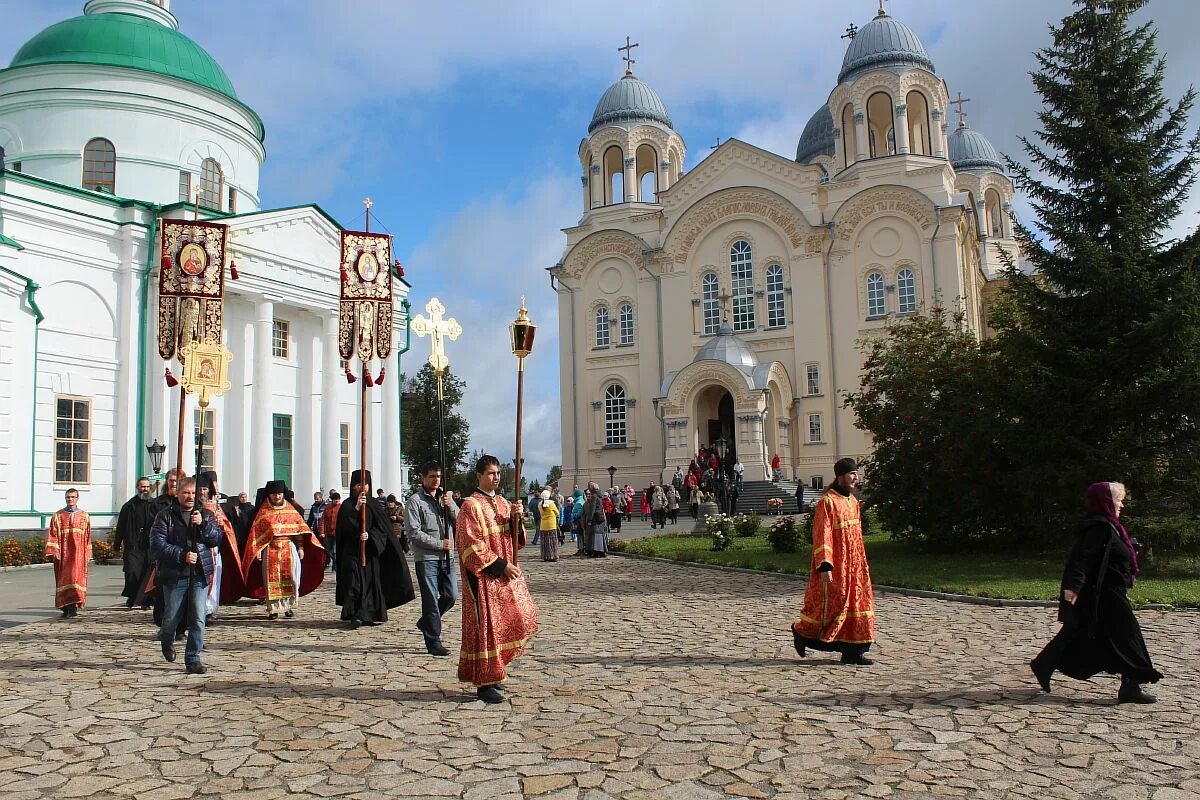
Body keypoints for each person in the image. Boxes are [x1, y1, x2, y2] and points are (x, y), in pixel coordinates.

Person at [1030, 482, 1162, 704]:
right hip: (1106, 595)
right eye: (1119, 500)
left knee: (1081, 631)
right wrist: (1073, 587)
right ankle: (1131, 686)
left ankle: (1044, 663)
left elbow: (1109, 555)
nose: (1122, 505)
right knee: (1129, 637)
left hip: (1111, 593)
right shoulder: (1099, 527)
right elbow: (1083, 559)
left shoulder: (1111, 526)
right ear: (1107, 502)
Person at [455, 455, 538, 704]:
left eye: (498, 473)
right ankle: (485, 683)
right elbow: (469, 545)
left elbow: (514, 539)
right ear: (479, 475)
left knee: (517, 619)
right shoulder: (470, 505)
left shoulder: (503, 502)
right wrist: (501, 566)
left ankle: (497, 672)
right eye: (491, 473)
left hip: (503, 576)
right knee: (488, 628)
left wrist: (516, 520)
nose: (496, 477)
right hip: (483, 576)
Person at [791, 458, 874, 666]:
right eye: (852, 474)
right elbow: (822, 534)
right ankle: (802, 633)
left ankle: (854, 652)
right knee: (832, 608)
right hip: (836, 565)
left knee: (858, 604)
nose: (856, 478)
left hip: (855, 566)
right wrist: (825, 564)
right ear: (840, 477)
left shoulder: (853, 502)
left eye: (857, 473)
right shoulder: (827, 502)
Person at [150, 477, 220, 674]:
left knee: (198, 617)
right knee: (171, 616)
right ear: (178, 494)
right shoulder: (166, 516)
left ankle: (193, 658)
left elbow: (216, 538)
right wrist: (181, 555)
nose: (190, 497)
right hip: (175, 574)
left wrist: (204, 525)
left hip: (199, 574)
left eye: (192, 493)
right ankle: (166, 639)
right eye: (186, 493)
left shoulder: (204, 514)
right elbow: (157, 544)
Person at [336, 470, 414, 626]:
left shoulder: (374, 505)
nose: (361, 488)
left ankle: (369, 614)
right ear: (353, 486)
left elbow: (382, 530)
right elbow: (344, 527)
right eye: (358, 485)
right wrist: (357, 509)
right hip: (352, 552)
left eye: (364, 484)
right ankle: (355, 614)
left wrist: (370, 536)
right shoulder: (347, 505)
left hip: (370, 552)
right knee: (354, 582)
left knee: (371, 583)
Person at [242, 480, 326, 620]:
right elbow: (256, 534)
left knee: (291, 578)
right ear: (269, 495)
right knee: (270, 580)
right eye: (274, 494)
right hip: (270, 549)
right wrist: (257, 550)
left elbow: (299, 530)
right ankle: (273, 609)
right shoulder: (263, 512)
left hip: (288, 547)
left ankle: (288, 607)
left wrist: (300, 547)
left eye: (279, 494)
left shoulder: (290, 510)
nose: (277, 497)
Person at [405, 463, 460, 655]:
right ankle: (433, 640)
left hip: (448, 557)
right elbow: (413, 533)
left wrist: (450, 505)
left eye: (438, 476)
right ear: (423, 478)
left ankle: (426, 622)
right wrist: (439, 544)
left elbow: (460, 521)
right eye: (431, 476)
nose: (436, 480)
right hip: (427, 557)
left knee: (451, 595)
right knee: (430, 600)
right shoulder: (415, 501)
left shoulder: (446, 499)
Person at [197, 471, 245, 617]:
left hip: (213, 547)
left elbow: (226, 524)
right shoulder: (192, 504)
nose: (202, 492)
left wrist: (221, 525)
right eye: (200, 489)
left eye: (205, 489)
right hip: (198, 546)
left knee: (215, 576)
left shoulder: (215, 505)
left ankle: (210, 608)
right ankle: (198, 609)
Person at [44, 488, 91, 618]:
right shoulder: (58, 516)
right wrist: (54, 551)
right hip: (63, 555)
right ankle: (65, 606)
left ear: (77, 498)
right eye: (68, 497)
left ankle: (73, 606)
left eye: (73, 497)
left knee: (76, 579)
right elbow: (52, 535)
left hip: (78, 555)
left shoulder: (84, 516)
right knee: (64, 580)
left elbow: (88, 536)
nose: (70, 499)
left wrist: (88, 553)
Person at [113, 477, 156, 609]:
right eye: (143, 487)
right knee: (132, 571)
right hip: (133, 543)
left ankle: (144, 600)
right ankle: (132, 596)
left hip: (148, 543)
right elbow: (121, 526)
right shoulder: (129, 506)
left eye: (147, 487)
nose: (145, 489)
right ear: (137, 487)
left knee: (146, 572)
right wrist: (117, 543)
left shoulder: (154, 505)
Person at [582, 482, 609, 557]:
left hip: (596, 517)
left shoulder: (594, 496)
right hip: (600, 517)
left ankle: (597, 552)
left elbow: (592, 509)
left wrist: (589, 520)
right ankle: (602, 551)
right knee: (600, 534)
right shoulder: (600, 495)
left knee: (596, 535)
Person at [536, 489, 560, 562]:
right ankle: (553, 556)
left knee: (545, 542)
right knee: (552, 542)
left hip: (543, 525)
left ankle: (545, 556)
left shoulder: (539, 504)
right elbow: (557, 512)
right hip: (551, 525)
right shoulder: (551, 504)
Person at [320, 490, 341, 571]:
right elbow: (323, 520)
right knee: (329, 550)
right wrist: (321, 531)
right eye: (335, 499)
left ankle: (335, 565)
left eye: (338, 499)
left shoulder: (342, 507)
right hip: (329, 533)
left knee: (335, 551)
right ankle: (334, 561)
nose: (336, 501)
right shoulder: (327, 508)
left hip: (338, 533)